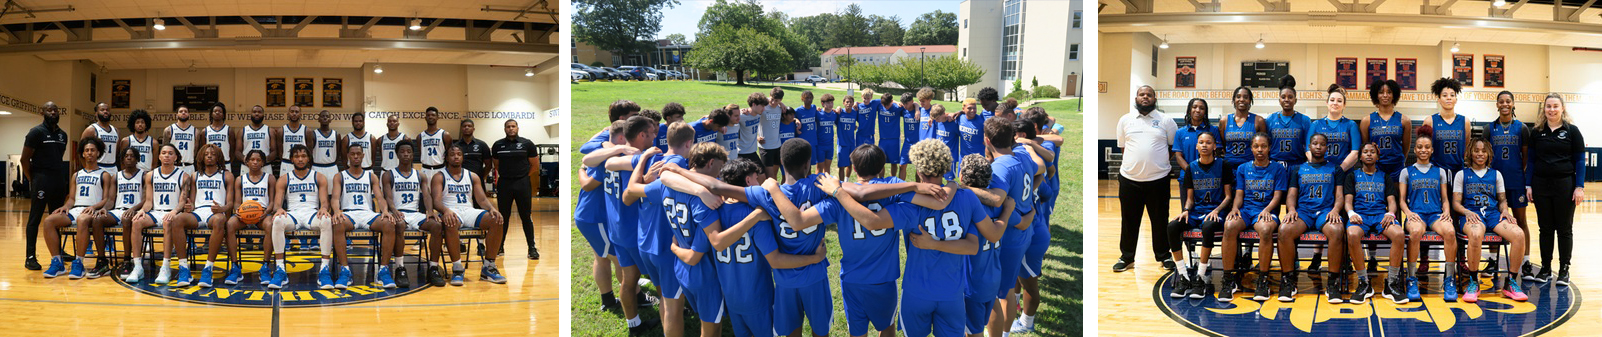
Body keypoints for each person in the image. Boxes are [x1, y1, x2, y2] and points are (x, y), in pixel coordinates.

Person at [846, 140, 993, 337]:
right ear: (946, 166)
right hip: (952, 293)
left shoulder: (907, 201)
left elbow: (873, 221)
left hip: (917, 292)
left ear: (919, 171)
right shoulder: (968, 198)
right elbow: (973, 246)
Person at [581, 116, 660, 334]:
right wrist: (647, 179)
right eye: (653, 132)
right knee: (661, 281)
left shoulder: (612, 157)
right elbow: (630, 194)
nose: (656, 136)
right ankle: (672, 313)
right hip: (634, 230)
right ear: (642, 135)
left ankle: (633, 324)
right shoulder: (635, 159)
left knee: (628, 279)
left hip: (617, 229)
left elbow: (587, 160)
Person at [660, 142, 732, 337]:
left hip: (682, 269)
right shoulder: (706, 200)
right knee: (711, 330)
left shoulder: (668, 186)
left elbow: (663, 176)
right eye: (719, 167)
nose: (720, 173)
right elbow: (697, 254)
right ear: (710, 163)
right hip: (705, 274)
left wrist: (675, 249)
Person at [1452, 138, 1529, 302]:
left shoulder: (1496, 174)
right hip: (1471, 213)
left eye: (1483, 151)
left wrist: (1505, 211)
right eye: (1476, 150)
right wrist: (1466, 212)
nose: (1480, 154)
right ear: (1470, 153)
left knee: (1519, 234)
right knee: (1475, 233)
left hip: (1493, 214)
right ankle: (1473, 281)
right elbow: (1455, 203)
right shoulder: (1461, 174)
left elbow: (1502, 200)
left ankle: (1511, 282)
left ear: (1489, 154)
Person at [1113, 85, 1180, 272]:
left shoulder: (1166, 121)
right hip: (1129, 179)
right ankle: (1126, 257)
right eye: (1142, 94)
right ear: (1136, 97)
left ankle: (1164, 256)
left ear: (1155, 98)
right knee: (1129, 220)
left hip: (1158, 179)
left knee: (1159, 220)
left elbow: (1172, 148)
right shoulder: (1125, 120)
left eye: (1149, 95)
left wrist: (1156, 163)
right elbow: (1124, 148)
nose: (1145, 97)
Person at [1218, 133, 1285, 302]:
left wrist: (1268, 209)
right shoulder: (1243, 168)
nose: (1260, 150)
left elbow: (1277, 196)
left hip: (1267, 211)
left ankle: (1262, 280)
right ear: (1251, 148)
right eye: (1256, 146)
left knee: (1265, 229)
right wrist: (1234, 209)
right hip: (1246, 210)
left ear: (1269, 148)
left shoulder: (1278, 168)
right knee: (1229, 226)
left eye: (1263, 146)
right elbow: (1239, 194)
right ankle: (1228, 279)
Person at [1165, 132, 1231, 300]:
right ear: (1196, 146)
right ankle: (1183, 276)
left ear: (1214, 146)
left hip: (1217, 212)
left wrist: (1217, 210)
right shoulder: (1191, 168)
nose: (1204, 145)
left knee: (1208, 227)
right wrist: (1186, 210)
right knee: (1173, 226)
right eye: (1201, 142)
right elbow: (1189, 199)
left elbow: (1228, 196)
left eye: (1208, 142)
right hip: (1196, 212)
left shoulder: (1223, 165)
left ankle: (1200, 277)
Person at [1528, 93, 1584, 286]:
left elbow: (1579, 161)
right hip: (1541, 184)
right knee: (1545, 228)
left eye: (1555, 106)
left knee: (1564, 229)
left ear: (1562, 108)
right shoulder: (1536, 132)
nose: (1551, 109)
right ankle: (1545, 269)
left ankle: (1564, 269)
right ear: (1544, 109)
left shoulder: (1572, 131)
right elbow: (1531, 160)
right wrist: (1528, 185)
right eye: (1548, 106)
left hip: (1565, 185)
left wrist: (1579, 186)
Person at [1279, 133, 1343, 302]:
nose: (1318, 146)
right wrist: (1291, 209)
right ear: (1309, 146)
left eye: (1322, 144)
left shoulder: (1335, 169)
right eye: (1315, 143)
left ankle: (1333, 281)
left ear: (1326, 148)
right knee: (1284, 230)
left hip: (1325, 212)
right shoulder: (1297, 169)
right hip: (1304, 212)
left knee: (1337, 231)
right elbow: (1292, 194)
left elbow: (1340, 195)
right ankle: (1288, 280)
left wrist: (1336, 209)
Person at [431, 144, 506, 285]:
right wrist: (446, 211)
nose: (456, 156)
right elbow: (436, 201)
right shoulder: (439, 176)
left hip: (468, 210)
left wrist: (492, 209)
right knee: (450, 221)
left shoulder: (472, 176)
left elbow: (482, 199)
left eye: (459, 154)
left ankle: (488, 267)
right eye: (452, 154)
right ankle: (457, 268)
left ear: (462, 157)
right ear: (446, 158)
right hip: (451, 211)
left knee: (496, 220)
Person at [41, 138, 113, 279]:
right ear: (83, 154)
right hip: (76, 210)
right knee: (49, 221)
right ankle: (57, 263)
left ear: (98, 153)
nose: (90, 153)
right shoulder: (76, 175)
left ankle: (79, 263)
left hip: (93, 211)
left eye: (92, 150)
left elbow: (106, 199)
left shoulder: (104, 175)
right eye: (87, 150)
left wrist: (93, 207)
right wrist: (65, 206)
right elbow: (72, 199)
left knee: (82, 219)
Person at [265, 145, 333, 290]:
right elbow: (277, 204)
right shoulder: (284, 179)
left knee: (327, 220)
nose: (300, 159)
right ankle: (280, 270)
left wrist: (324, 208)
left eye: (303, 156)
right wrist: (279, 209)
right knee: (277, 220)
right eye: (297, 156)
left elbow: (325, 202)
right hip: (293, 214)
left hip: (312, 214)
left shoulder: (319, 177)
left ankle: (324, 270)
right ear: (291, 159)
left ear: (308, 158)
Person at [331, 143, 395, 288]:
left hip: (368, 214)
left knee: (389, 223)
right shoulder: (339, 176)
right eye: (352, 154)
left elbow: (380, 198)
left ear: (363, 156)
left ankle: (383, 271)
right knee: (337, 223)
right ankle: (345, 272)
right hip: (348, 213)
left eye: (358, 154)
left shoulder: (371, 176)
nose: (355, 156)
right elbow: (335, 198)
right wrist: (336, 211)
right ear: (348, 156)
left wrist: (384, 210)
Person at [1342, 142, 1399, 304]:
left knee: (1399, 234)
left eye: (1372, 152)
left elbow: (1392, 201)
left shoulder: (1385, 176)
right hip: (1361, 216)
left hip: (1380, 216)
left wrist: (1390, 213)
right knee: (1352, 234)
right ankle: (1364, 283)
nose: (1368, 154)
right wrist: (1351, 213)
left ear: (1377, 156)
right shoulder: (1352, 176)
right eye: (1365, 152)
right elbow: (1348, 201)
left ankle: (1392, 282)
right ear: (1360, 156)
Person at [1395, 135, 1449, 304]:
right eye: (1419, 147)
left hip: (1434, 214)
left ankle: (1450, 280)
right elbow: (1401, 200)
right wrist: (1408, 212)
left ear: (1432, 150)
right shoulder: (1406, 171)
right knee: (1416, 232)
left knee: (1450, 231)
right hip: (1416, 214)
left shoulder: (1440, 171)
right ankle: (1412, 278)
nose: (1423, 150)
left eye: (1427, 147)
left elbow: (1445, 198)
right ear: (1415, 149)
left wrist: (1446, 211)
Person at [1489, 91, 1535, 278]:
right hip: (1494, 183)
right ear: (1497, 105)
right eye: (1501, 101)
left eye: (1508, 101)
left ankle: (1526, 262)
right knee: (1494, 221)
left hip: (1516, 181)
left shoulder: (1522, 128)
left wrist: (1519, 174)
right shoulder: (1489, 128)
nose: (1505, 104)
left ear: (1513, 104)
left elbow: (1525, 157)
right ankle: (1492, 260)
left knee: (1521, 221)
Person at [385, 140, 443, 287]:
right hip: (398, 213)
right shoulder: (388, 175)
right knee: (398, 224)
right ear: (397, 154)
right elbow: (388, 197)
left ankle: (433, 268)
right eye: (402, 151)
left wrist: (430, 211)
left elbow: (427, 196)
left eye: (408, 152)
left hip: (415, 214)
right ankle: (400, 268)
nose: (405, 154)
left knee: (437, 225)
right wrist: (394, 210)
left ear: (412, 155)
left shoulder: (420, 175)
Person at [576, 121, 622, 308]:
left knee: (601, 257)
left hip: (595, 216)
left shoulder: (604, 153)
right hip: (594, 218)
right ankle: (635, 297)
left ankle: (608, 301)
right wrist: (581, 170)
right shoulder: (607, 160)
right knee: (620, 260)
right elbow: (587, 184)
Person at [23, 102, 70, 271]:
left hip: (58, 179)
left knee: (57, 218)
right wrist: (33, 180)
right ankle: (30, 256)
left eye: (55, 110)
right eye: (49, 110)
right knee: (35, 219)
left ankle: (58, 252)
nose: (53, 112)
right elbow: (24, 159)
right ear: (42, 112)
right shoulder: (36, 133)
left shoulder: (63, 135)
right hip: (41, 179)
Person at [133, 144, 190, 284]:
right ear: (159, 157)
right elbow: (148, 201)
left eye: (170, 153)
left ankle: (165, 267)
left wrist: (175, 211)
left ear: (175, 157)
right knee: (136, 222)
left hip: (173, 212)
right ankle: (137, 267)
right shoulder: (151, 175)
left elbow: (183, 201)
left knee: (168, 221)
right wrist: (142, 211)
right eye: (164, 153)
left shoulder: (184, 176)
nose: (166, 156)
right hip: (155, 212)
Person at [489, 119, 541, 260]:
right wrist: (509, 176)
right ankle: (500, 246)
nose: (511, 129)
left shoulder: (527, 144)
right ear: (504, 129)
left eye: (513, 126)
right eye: (508, 127)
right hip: (505, 184)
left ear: (517, 128)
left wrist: (522, 177)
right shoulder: (498, 145)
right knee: (503, 217)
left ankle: (531, 248)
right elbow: (497, 165)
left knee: (526, 216)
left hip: (522, 183)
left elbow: (535, 166)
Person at [183, 144, 233, 288]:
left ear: (218, 157)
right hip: (198, 212)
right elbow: (191, 202)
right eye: (206, 154)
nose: (209, 156)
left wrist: (221, 208)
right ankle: (183, 268)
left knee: (219, 220)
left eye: (213, 154)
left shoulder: (226, 175)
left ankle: (208, 268)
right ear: (201, 157)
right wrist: (189, 207)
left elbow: (230, 204)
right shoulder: (195, 175)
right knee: (177, 220)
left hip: (215, 212)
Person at [226, 150, 277, 286]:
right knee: (230, 224)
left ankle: (265, 266)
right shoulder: (240, 179)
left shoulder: (270, 178)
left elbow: (272, 202)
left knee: (271, 225)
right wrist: (238, 211)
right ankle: (235, 267)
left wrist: (266, 212)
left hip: (262, 215)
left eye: (258, 160)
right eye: (252, 160)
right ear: (246, 162)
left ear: (263, 162)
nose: (255, 162)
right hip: (244, 215)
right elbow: (237, 201)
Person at [110, 147, 148, 280]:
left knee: (127, 220)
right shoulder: (116, 176)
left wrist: (134, 209)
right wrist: (103, 209)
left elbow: (146, 199)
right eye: (126, 156)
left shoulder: (143, 175)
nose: (129, 158)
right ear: (122, 159)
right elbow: (110, 199)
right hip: (118, 209)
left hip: (136, 210)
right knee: (98, 220)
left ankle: (127, 260)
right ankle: (101, 261)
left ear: (137, 159)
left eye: (132, 156)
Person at [1362, 80, 1412, 180]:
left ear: (1394, 95)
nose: (1385, 95)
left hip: (1397, 166)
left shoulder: (1404, 121)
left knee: (1397, 195)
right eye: (1381, 92)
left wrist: (1401, 160)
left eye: (1389, 92)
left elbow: (1406, 148)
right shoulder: (1366, 121)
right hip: (1376, 166)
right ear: (1376, 95)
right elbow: (1365, 145)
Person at [1172, 98, 1218, 206]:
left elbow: (1217, 153)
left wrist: (1203, 171)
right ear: (1189, 110)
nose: (1198, 110)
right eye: (1194, 107)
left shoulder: (1213, 130)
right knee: (1187, 212)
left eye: (1201, 108)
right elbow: (1178, 156)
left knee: (1208, 212)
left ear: (1205, 112)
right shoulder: (1180, 132)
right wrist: (1191, 171)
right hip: (1187, 178)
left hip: (1209, 179)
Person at [1308, 85, 1360, 171]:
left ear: (1344, 105)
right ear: (1327, 103)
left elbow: (1355, 153)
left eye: (1339, 101)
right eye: (1332, 100)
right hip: (1321, 172)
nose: (1335, 103)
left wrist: (1339, 170)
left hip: (1344, 172)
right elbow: (1308, 150)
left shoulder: (1351, 125)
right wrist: (1320, 168)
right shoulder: (1316, 124)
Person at [1220, 86, 1266, 175]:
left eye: (1245, 97)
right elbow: (1223, 143)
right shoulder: (1224, 120)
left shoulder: (1259, 121)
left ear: (1250, 101)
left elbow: (1264, 145)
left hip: (1250, 166)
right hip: (1229, 166)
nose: (1241, 99)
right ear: (1233, 100)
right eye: (1238, 96)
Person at [1428, 78, 1471, 174]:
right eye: (1444, 95)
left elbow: (1466, 146)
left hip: (1458, 171)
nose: (1449, 98)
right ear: (1438, 99)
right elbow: (1425, 148)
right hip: (1436, 171)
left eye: (1452, 95)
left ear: (1456, 99)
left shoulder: (1465, 121)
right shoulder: (1430, 121)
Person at [1267, 76, 1311, 167]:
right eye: (1283, 97)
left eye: (1290, 97)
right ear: (1279, 100)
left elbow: (1308, 146)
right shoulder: (1270, 119)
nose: (1286, 100)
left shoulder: (1305, 120)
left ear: (1295, 100)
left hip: (1297, 164)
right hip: (1275, 164)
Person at [77, 102, 119, 175]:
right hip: (97, 167)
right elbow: (81, 151)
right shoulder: (91, 130)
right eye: (102, 110)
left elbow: (117, 151)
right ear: (96, 113)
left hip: (113, 168)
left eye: (107, 110)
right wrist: (88, 169)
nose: (105, 111)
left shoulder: (116, 131)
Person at [200, 103, 238, 175]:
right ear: (211, 114)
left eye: (220, 111)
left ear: (223, 115)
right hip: (210, 164)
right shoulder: (205, 131)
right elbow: (203, 149)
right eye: (215, 111)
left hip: (225, 163)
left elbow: (232, 149)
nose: (217, 113)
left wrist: (228, 161)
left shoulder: (229, 130)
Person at [760, 88, 788, 179]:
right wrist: (757, 137)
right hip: (765, 146)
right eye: (771, 99)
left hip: (777, 145)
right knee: (769, 176)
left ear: (781, 100)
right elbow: (753, 121)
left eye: (776, 101)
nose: (773, 102)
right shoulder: (762, 107)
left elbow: (790, 118)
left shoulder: (780, 108)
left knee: (775, 174)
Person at [418, 107, 454, 179]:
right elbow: (421, 153)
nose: (430, 117)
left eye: (433, 115)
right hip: (425, 169)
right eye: (428, 115)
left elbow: (449, 154)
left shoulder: (445, 135)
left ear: (438, 117)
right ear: (425, 118)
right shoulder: (420, 136)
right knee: (425, 190)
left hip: (440, 169)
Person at [162, 106, 200, 174]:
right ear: (177, 115)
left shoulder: (195, 131)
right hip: (174, 165)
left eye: (185, 111)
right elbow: (164, 149)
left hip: (189, 166)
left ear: (189, 114)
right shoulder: (169, 130)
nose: (183, 113)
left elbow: (196, 150)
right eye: (181, 111)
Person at [241, 106, 273, 173]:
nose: (257, 114)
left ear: (263, 115)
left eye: (259, 112)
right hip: (247, 166)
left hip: (265, 166)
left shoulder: (270, 130)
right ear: (251, 114)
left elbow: (275, 151)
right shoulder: (242, 131)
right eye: (254, 112)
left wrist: (262, 161)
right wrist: (247, 160)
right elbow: (237, 152)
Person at [311, 110, 341, 179]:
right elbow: (309, 152)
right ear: (318, 119)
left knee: (332, 189)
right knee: (317, 190)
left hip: (332, 167)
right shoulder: (313, 134)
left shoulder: (336, 134)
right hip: (317, 167)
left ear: (330, 120)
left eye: (327, 116)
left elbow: (338, 152)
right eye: (322, 116)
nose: (325, 118)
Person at [897, 93, 920, 181]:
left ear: (912, 102)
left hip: (918, 143)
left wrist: (917, 108)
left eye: (907, 103)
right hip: (907, 142)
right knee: (902, 165)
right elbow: (892, 103)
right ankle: (901, 187)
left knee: (919, 168)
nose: (905, 106)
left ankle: (918, 188)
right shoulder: (903, 110)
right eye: (903, 103)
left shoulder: (919, 111)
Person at [835, 94, 858, 179]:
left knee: (850, 164)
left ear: (853, 103)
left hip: (851, 143)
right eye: (847, 102)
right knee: (841, 166)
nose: (849, 104)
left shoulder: (855, 113)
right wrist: (837, 108)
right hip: (842, 143)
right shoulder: (839, 113)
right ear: (843, 103)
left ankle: (846, 181)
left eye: (850, 102)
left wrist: (855, 127)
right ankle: (841, 183)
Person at [795, 91, 820, 167]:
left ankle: (808, 179)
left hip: (812, 140)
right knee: (802, 165)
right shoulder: (798, 110)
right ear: (802, 99)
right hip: (802, 140)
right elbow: (790, 118)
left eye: (810, 98)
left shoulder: (814, 107)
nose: (809, 100)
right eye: (806, 98)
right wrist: (795, 119)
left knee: (810, 165)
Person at [815, 94, 838, 174]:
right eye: (828, 103)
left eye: (831, 102)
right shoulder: (818, 114)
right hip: (820, 144)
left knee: (827, 168)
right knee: (819, 168)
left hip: (830, 144)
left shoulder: (834, 114)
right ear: (822, 104)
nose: (830, 104)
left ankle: (827, 184)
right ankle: (817, 185)